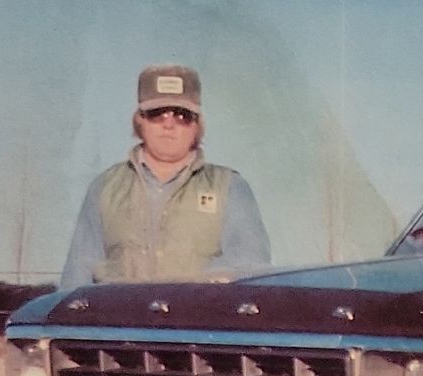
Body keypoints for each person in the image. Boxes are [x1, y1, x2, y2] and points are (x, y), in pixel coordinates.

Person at [60, 64, 271, 287]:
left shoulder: (230, 188)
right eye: (156, 114)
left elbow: (251, 268)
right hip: (120, 320)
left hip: (196, 318)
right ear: (139, 120)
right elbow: (76, 278)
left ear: (197, 124)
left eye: (182, 115)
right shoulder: (104, 188)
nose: (169, 124)